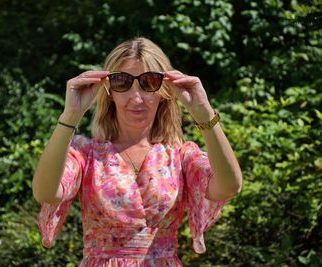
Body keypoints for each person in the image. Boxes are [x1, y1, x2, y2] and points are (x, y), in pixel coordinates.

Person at [32, 37, 242, 266]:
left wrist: (205, 114)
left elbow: (230, 186)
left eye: (148, 82)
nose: (136, 97)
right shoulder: (86, 154)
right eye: (122, 82)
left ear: (163, 92)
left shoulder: (180, 156)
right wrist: (70, 116)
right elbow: (46, 193)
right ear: (109, 91)